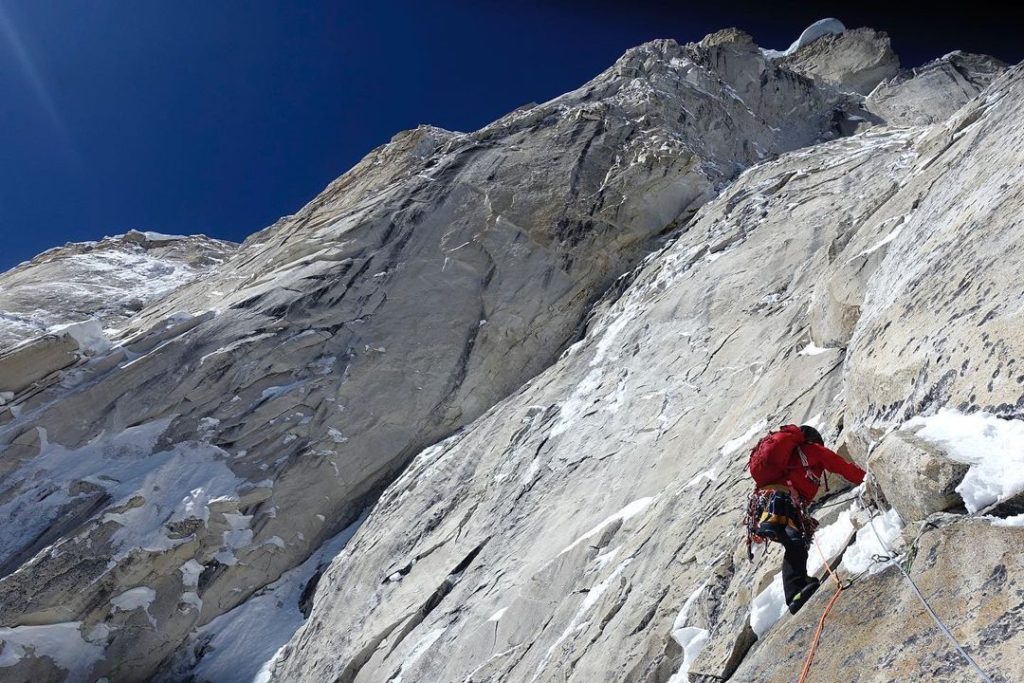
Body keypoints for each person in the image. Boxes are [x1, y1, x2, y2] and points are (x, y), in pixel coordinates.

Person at [744, 424, 865, 615]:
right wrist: (866, 478)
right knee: (794, 542)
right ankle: (794, 594)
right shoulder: (813, 450)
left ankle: (799, 584)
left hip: (766, 503)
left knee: (794, 543)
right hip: (783, 501)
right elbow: (841, 466)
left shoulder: (786, 460)